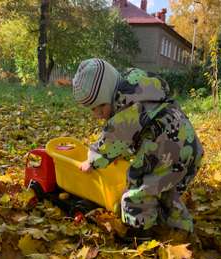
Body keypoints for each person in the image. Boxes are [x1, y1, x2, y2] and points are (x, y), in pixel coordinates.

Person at [72, 58, 203, 237]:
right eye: (93, 109)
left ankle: (141, 234)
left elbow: (112, 139)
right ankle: (180, 228)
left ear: (110, 92)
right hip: (190, 146)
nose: (98, 114)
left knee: (137, 193)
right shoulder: (141, 89)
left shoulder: (125, 107)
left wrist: (92, 159)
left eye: (101, 106)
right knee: (164, 190)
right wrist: (123, 153)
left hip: (165, 152)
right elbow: (138, 132)